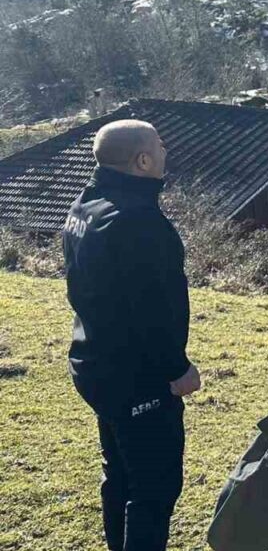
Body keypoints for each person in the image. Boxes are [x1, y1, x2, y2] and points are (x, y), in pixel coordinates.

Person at [63, 119, 201, 551]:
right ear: (143, 160)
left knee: (120, 475)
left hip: (96, 366)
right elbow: (153, 312)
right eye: (159, 146)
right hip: (138, 378)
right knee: (153, 488)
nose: (165, 152)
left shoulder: (86, 207)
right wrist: (178, 369)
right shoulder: (140, 222)